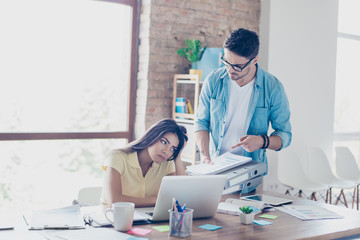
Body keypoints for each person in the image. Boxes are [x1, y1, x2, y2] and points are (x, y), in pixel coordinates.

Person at [195, 28, 292, 192]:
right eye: (226, 62)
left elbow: (285, 135)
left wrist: (261, 141)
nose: (230, 69)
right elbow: (201, 122)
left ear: (255, 60)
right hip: (214, 169)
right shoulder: (214, 80)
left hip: (249, 175)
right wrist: (205, 156)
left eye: (238, 66)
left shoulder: (273, 87)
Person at [101, 118, 188, 207]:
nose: (166, 151)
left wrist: (177, 156)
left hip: (146, 218)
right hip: (111, 217)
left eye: (173, 149)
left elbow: (182, 196)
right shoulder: (117, 157)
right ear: (153, 136)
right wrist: (158, 200)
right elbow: (115, 201)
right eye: (164, 142)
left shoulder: (166, 163)